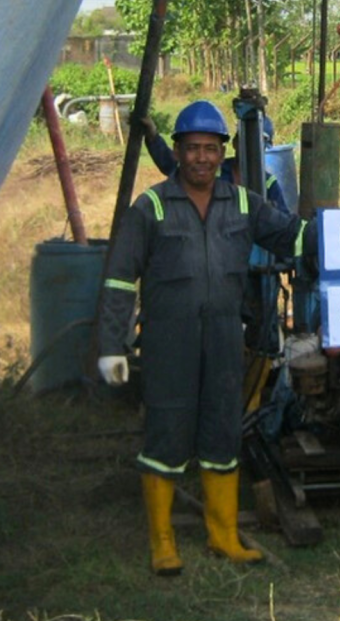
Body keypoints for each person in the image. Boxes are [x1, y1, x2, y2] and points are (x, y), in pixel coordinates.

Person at [98, 100, 316, 575]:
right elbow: (118, 277)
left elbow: (294, 238)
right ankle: (162, 542)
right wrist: (111, 346)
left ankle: (223, 537)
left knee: (221, 433)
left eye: (211, 149)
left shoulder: (243, 203)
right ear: (176, 152)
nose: (202, 157)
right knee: (166, 435)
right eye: (193, 148)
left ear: (223, 154)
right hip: (167, 342)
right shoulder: (151, 206)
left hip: (222, 339)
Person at [142, 112, 289, 213]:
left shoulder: (268, 183)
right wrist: (152, 136)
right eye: (246, 141)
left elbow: (284, 226)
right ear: (235, 143)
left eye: (258, 143)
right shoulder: (211, 171)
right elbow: (171, 164)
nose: (251, 148)